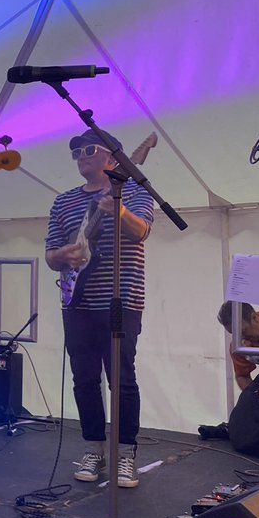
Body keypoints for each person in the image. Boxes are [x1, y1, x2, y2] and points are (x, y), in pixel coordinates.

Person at [45, 130, 153, 488]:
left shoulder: (134, 190)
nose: (80, 155)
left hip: (120, 299)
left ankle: (125, 454)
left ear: (113, 157)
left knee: (121, 378)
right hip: (77, 302)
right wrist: (62, 256)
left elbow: (141, 232)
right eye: (75, 151)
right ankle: (93, 447)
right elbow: (50, 254)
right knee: (84, 378)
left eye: (88, 149)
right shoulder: (63, 202)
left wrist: (118, 209)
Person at [216, 301, 259, 391]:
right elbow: (242, 376)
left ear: (254, 317)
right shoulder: (238, 345)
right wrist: (254, 399)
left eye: (243, 331)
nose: (241, 337)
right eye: (235, 333)